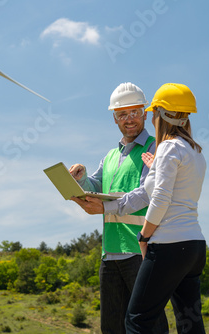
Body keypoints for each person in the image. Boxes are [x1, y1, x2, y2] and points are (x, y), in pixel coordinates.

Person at [70, 82, 168, 334]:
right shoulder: (111, 156)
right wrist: (81, 179)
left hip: (141, 252)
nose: (130, 119)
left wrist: (105, 209)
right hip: (110, 253)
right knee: (112, 328)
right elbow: (96, 185)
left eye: (135, 112)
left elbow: (147, 193)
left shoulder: (154, 149)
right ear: (114, 118)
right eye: (122, 114)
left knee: (149, 327)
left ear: (145, 113)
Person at [125, 83, 207, 334]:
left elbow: (161, 198)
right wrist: (155, 168)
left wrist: (144, 235)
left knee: (138, 320)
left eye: (153, 112)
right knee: (189, 321)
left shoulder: (169, 147)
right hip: (194, 246)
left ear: (162, 114)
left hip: (168, 246)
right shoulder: (195, 152)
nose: (151, 117)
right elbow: (171, 190)